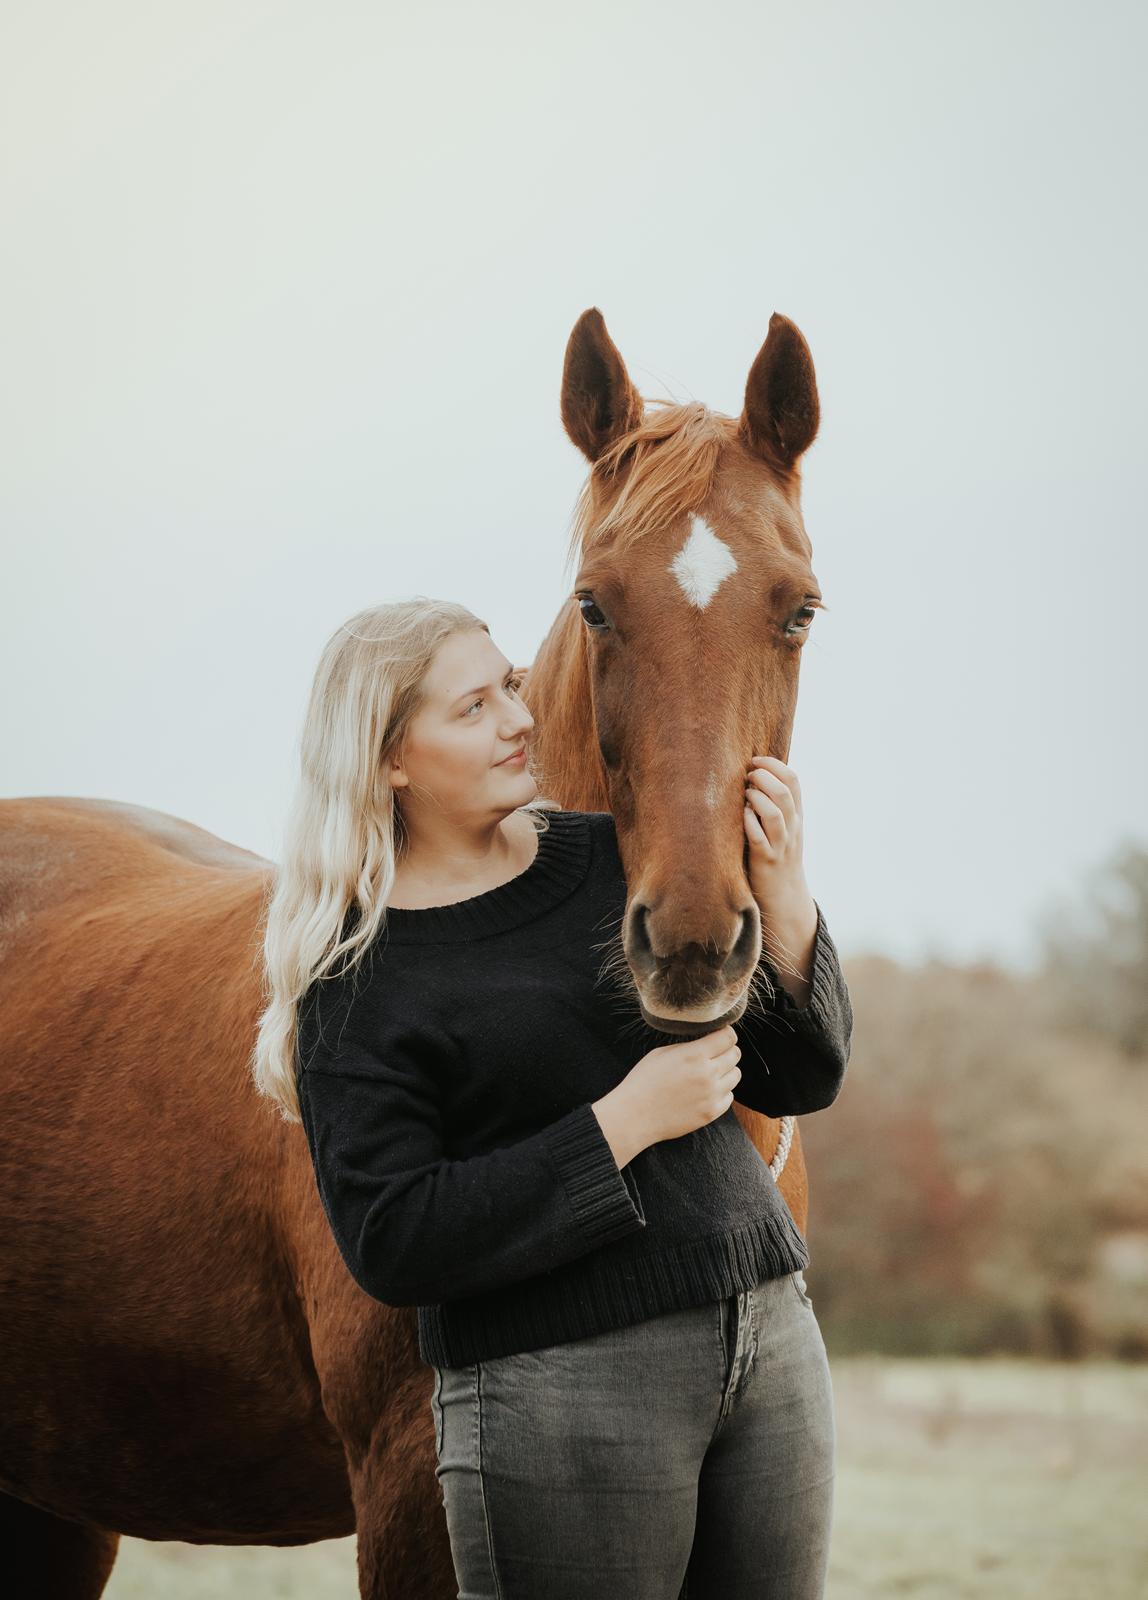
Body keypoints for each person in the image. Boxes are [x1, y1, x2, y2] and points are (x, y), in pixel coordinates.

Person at [255, 596, 853, 1599]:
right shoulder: (356, 972)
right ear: (390, 758)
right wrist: (620, 1125)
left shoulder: (606, 858)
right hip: (558, 1391)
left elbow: (800, 1075)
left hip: (769, 1350)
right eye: (473, 706)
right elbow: (395, 1239)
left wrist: (784, 893)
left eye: (513, 690)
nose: (519, 720)